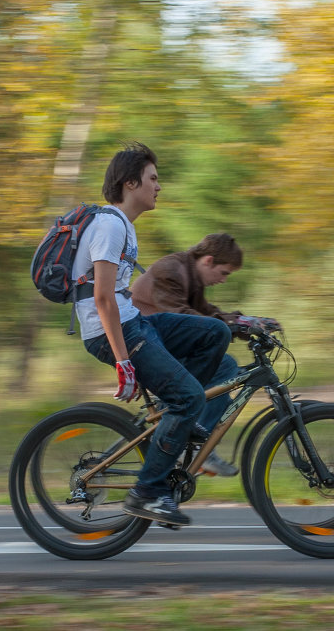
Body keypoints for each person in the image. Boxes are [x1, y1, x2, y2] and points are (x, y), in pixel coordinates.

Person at [73, 142, 231, 527]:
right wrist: (123, 361)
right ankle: (148, 493)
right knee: (190, 396)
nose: (159, 186)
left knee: (216, 335)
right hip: (113, 331)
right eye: (153, 179)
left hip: (134, 323)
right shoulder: (110, 225)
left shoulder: (123, 226)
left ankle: (179, 413)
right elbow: (102, 297)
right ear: (131, 183)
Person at [130, 233, 280, 477]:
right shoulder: (171, 270)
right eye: (224, 273)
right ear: (208, 261)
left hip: (161, 344)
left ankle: (191, 440)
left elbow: (206, 313)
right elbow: (182, 316)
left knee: (223, 372)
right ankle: (192, 442)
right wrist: (238, 325)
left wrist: (246, 321)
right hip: (143, 347)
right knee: (224, 367)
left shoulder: (189, 274)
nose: (223, 280)